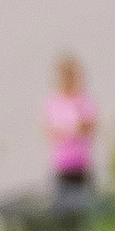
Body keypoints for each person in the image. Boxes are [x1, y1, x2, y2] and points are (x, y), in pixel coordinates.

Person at [43, 54, 97, 205]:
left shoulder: (84, 100)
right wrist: (74, 129)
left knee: (86, 205)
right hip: (62, 165)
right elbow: (50, 132)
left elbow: (90, 127)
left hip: (82, 164)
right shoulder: (53, 102)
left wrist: (69, 130)